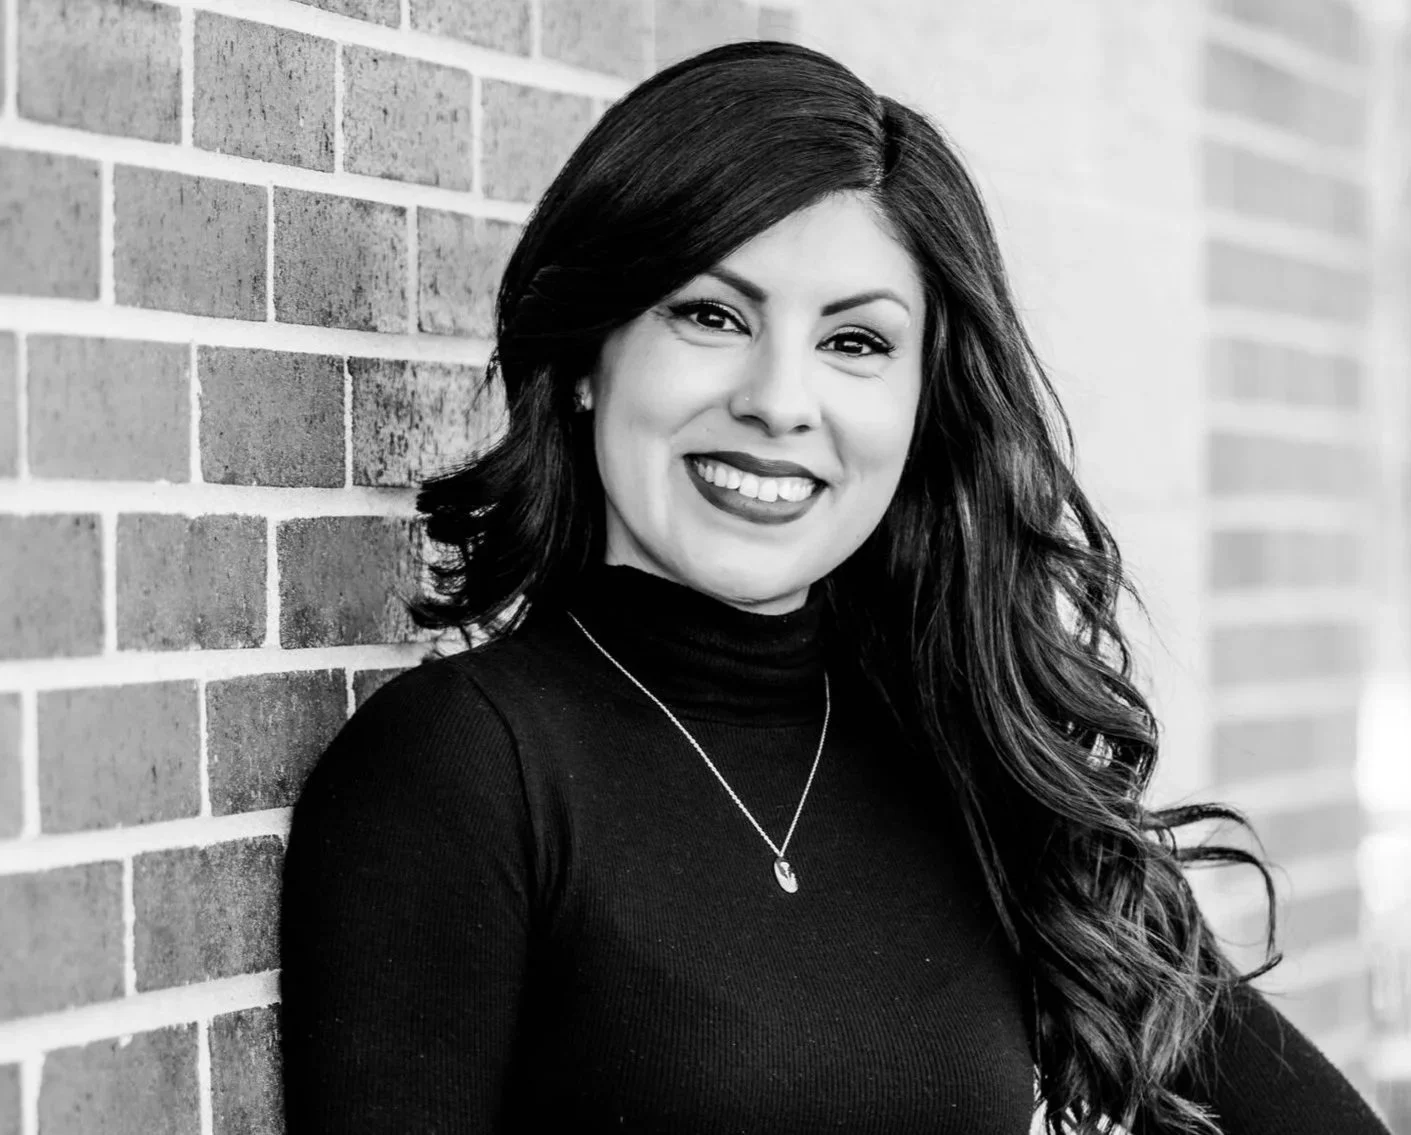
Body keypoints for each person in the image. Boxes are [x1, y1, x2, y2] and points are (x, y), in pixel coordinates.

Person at [279, 40, 1391, 1135]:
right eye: (710, 314)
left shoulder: (975, 766)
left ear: (921, 404)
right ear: (583, 357)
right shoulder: (463, 769)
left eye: (855, 340)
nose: (779, 399)